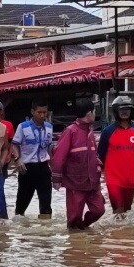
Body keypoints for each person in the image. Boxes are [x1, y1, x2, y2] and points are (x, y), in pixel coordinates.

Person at [51, 98, 105, 230]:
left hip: (92, 182)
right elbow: (58, 157)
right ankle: (75, 242)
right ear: (89, 114)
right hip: (75, 183)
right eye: (94, 111)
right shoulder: (71, 131)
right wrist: (56, 179)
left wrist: (98, 164)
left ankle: (84, 227)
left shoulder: (90, 132)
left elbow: (92, 154)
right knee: (74, 217)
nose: (94, 114)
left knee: (99, 210)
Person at [98, 95, 134, 218]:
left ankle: (126, 235)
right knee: (118, 210)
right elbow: (100, 154)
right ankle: (117, 235)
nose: (125, 112)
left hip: (130, 178)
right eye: (122, 110)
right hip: (113, 178)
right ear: (116, 111)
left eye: (127, 109)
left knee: (127, 210)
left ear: (132, 111)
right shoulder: (108, 131)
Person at [11, 102, 56, 218]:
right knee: (21, 207)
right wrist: (17, 159)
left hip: (44, 169)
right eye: (39, 112)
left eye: (44, 112)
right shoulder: (23, 127)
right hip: (27, 169)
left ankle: (45, 234)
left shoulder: (49, 127)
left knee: (46, 207)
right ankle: (21, 233)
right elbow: (14, 145)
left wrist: (55, 167)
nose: (42, 115)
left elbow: (49, 148)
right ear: (32, 112)